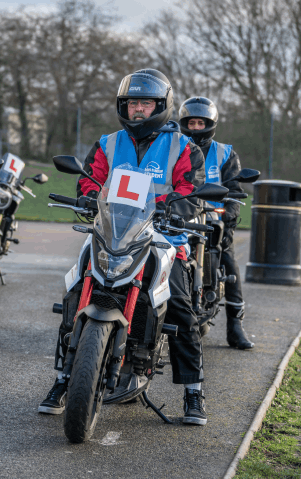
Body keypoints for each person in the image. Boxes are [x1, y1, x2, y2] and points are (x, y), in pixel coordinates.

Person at [37, 69, 210, 425]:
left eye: (146, 103)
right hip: (111, 232)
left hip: (162, 236)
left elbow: (192, 191)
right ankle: (63, 380)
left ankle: (193, 392)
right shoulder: (108, 144)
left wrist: (178, 206)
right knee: (75, 291)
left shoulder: (183, 147)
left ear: (161, 106)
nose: (138, 110)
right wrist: (86, 199)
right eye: (132, 103)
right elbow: (91, 180)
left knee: (179, 306)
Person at [179, 96, 253, 350]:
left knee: (228, 258)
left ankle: (236, 326)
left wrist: (228, 217)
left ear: (210, 124)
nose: (196, 127)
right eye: (192, 122)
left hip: (213, 218)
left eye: (201, 123)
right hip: (182, 215)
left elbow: (234, 189)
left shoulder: (225, 152)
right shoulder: (174, 147)